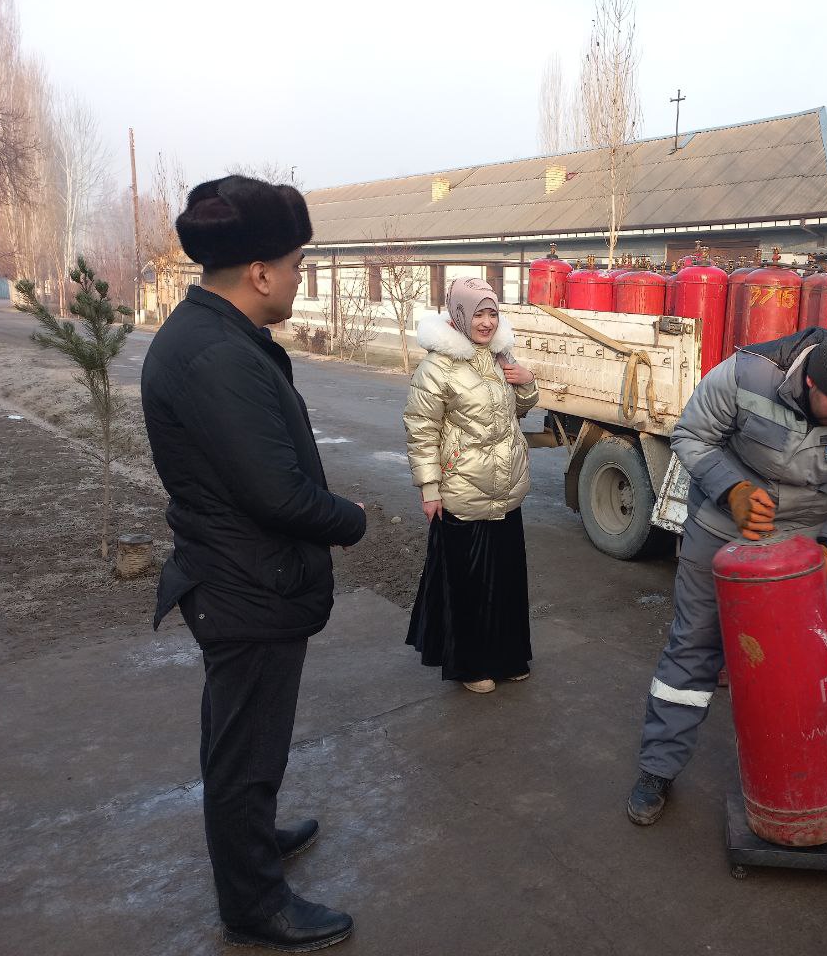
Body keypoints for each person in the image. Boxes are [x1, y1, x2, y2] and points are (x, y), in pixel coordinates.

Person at [141, 176, 366, 951]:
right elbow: (278, 495)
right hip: (247, 587)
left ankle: (253, 836)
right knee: (244, 748)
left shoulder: (214, 336)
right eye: (298, 264)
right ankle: (253, 901)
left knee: (247, 739)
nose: (301, 277)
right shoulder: (215, 356)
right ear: (262, 272)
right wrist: (354, 519)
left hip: (243, 579)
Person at [627, 326, 827, 825]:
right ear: (812, 382)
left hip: (800, 553)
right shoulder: (746, 374)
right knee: (695, 647)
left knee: (790, 669)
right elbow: (691, 434)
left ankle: (787, 784)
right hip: (719, 531)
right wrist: (729, 488)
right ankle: (657, 769)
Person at [404, 276, 539, 693]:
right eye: (478, 313)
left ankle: (508, 657)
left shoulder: (500, 358)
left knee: (507, 581)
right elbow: (421, 430)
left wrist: (526, 382)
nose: (486, 322)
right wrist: (430, 489)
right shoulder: (437, 366)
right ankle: (470, 665)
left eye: (492, 313)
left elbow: (517, 411)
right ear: (460, 314)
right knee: (469, 585)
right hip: (462, 490)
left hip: (506, 489)